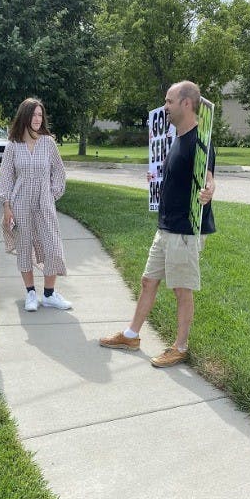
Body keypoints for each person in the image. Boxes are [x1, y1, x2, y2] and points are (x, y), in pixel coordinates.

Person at [100, 80, 215, 367]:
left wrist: (209, 190)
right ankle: (131, 334)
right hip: (165, 227)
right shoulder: (176, 137)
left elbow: (209, 176)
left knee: (181, 289)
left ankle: (180, 346)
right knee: (148, 281)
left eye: (169, 101)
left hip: (185, 231)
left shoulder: (201, 140)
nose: (165, 106)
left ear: (186, 103)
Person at [0, 97, 71, 312]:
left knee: (53, 247)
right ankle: (30, 293)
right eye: (34, 115)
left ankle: (49, 294)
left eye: (40, 115)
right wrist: (6, 206)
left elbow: (59, 172)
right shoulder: (13, 146)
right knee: (24, 248)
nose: (38, 119)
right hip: (19, 205)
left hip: (44, 204)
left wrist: (51, 194)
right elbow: (6, 178)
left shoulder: (48, 143)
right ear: (25, 117)